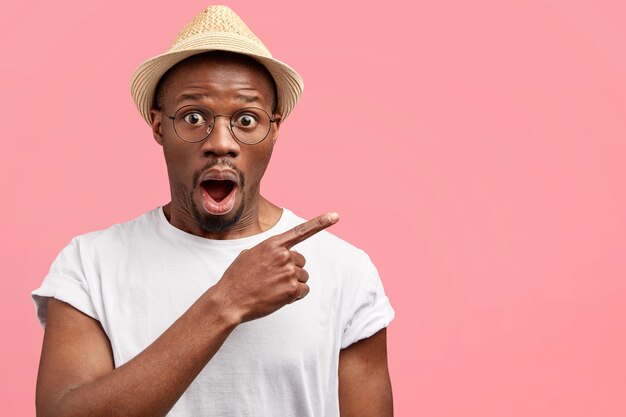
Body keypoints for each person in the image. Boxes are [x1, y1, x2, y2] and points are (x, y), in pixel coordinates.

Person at [32, 5, 394, 417]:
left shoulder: (345, 269)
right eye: (193, 116)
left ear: (274, 131)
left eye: (246, 119)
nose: (221, 142)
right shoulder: (88, 265)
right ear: (158, 127)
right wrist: (227, 301)